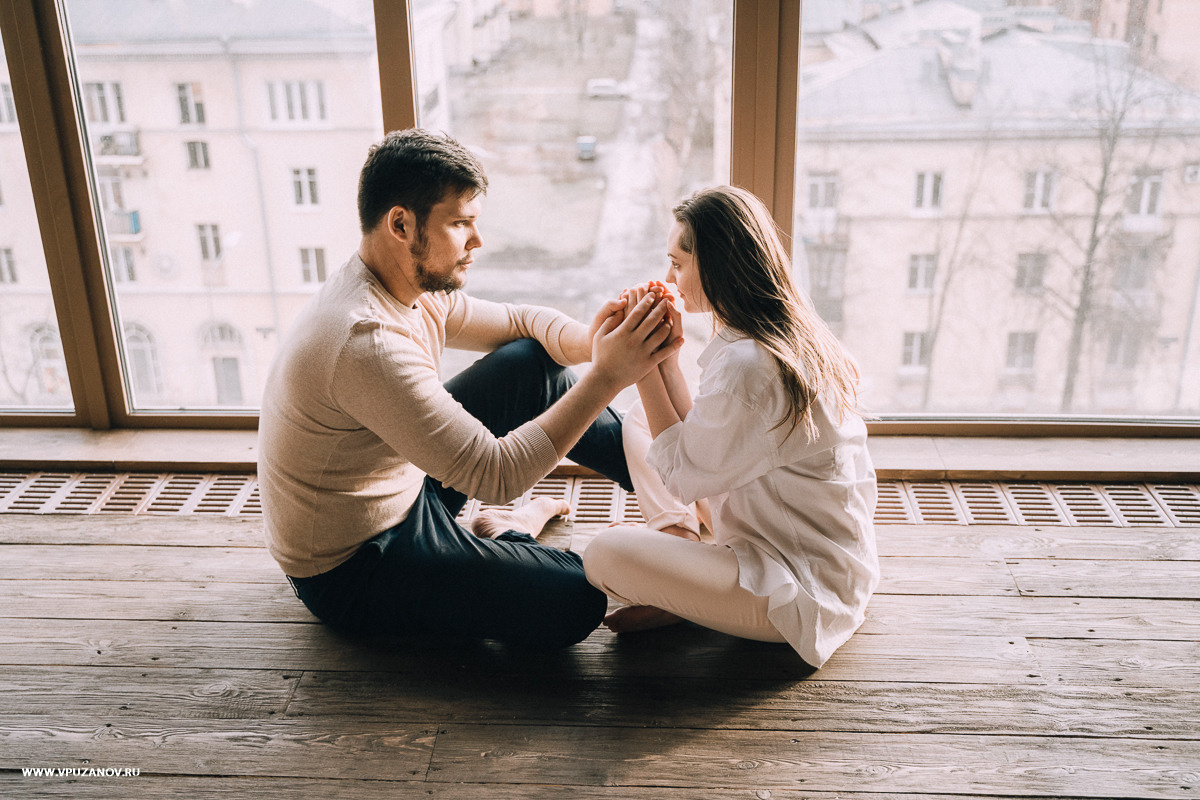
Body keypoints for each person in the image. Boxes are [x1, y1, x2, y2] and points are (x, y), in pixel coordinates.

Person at [257, 129, 681, 648]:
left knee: (531, 363)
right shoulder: (365, 340)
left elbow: (521, 323)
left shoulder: (403, 285)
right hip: (356, 563)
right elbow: (496, 473)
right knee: (577, 598)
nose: (477, 242)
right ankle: (512, 530)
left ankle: (680, 493)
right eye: (461, 224)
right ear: (400, 223)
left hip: (405, 489)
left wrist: (596, 343)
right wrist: (610, 374)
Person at [582, 185, 879, 668]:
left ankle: (682, 589)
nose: (669, 276)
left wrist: (638, 369)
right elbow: (696, 450)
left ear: (717, 264)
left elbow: (680, 475)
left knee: (603, 553)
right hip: (803, 547)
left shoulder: (749, 364)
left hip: (794, 592)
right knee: (641, 418)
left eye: (678, 263)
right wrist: (665, 362)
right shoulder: (780, 332)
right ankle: (680, 556)